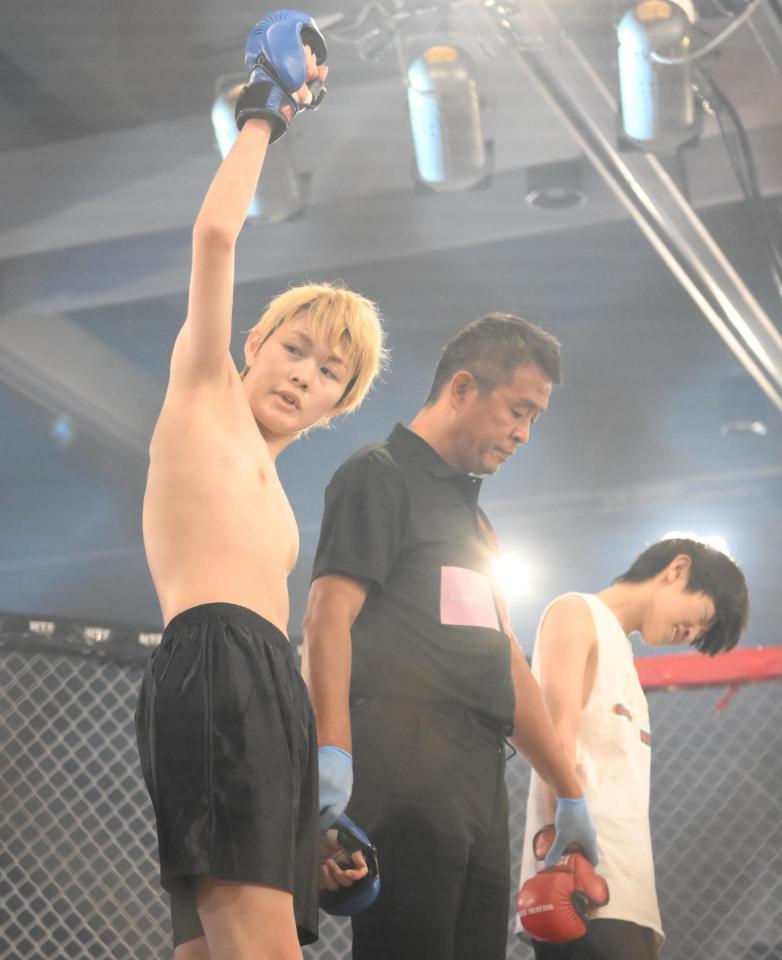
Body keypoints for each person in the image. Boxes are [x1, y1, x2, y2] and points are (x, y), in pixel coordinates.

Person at [134, 12, 386, 960]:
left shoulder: (282, 507)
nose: (302, 375)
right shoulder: (202, 395)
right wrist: (263, 112)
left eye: (329, 374)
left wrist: (311, 799)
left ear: (337, 406)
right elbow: (214, 236)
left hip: (267, 686)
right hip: (215, 664)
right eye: (294, 348)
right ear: (253, 342)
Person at [302, 314, 598, 960]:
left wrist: (569, 788)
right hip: (403, 759)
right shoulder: (378, 474)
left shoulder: (478, 525)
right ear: (462, 388)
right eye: (518, 410)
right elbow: (326, 618)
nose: (523, 434)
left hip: (480, 776)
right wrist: (331, 751)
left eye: (534, 419)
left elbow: (506, 660)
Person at [518, 535, 749, 959]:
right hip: (581, 885)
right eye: (702, 618)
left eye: (701, 635)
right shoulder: (576, 612)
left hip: (628, 895)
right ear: (678, 569)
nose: (692, 634)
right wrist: (561, 844)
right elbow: (556, 734)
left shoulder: (622, 655)